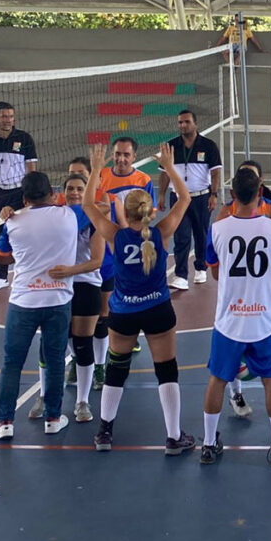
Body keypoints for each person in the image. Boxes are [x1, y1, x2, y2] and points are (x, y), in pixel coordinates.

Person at [83, 143, 195, 455]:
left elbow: (89, 205)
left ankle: (104, 432)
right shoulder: (161, 232)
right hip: (158, 308)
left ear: (126, 212)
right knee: (166, 370)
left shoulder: (115, 236)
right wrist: (169, 169)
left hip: (123, 312)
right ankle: (174, 437)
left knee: (117, 368)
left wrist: (95, 170)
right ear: (149, 211)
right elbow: (185, 199)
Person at [200, 167, 271, 467]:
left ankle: (208, 444)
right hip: (265, 319)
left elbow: (214, 270)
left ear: (231, 195)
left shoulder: (218, 229)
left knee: (217, 379)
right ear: (260, 193)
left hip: (229, 320)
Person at [0, 172, 79, 440]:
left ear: (24, 197)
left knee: (12, 363)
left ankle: (5, 422)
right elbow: (95, 206)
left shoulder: (13, 223)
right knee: (54, 362)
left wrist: (12, 217)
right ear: (52, 194)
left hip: (23, 302)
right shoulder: (70, 216)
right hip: (58, 300)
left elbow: (1, 258)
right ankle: (53, 418)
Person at [214, 160, 271, 417]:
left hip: (265, 285)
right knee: (237, 349)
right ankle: (236, 393)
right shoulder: (226, 213)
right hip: (239, 289)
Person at [26, 173, 106, 424]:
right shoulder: (56, 216)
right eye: (70, 188)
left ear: (87, 191)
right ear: (61, 192)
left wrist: (70, 271)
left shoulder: (94, 219)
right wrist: (8, 211)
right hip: (57, 286)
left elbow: (97, 261)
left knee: (82, 344)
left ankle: (82, 401)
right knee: (49, 344)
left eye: (80, 189)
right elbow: (29, 215)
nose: (74, 193)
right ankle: (44, 394)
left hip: (85, 284)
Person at [93, 136, 156, 367]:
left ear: (134, 157)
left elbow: (152, 212)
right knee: (109, 291)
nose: (121, 159)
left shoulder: (144, 179)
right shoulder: (102, 177)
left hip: (133, 241)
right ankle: (109, 337)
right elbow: (93, 203)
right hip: (107, 238)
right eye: (117, 154)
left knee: (130, 288)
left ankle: (128, 336)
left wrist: (133, 228)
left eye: (126, 155)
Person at [158, 109, 222, 291]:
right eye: (180, 122)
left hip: (201, 197)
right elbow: (163, 174)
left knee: (201, 233)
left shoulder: (209, 145)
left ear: (195, 124)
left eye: (186, 122)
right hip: (178, 199)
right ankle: (181, 275)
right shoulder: (170, 147)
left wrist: (214, 194)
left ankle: (201, 268)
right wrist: (162, 194)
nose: (182, 125)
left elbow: (216, 172)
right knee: (181, 236)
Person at [0, 101, 37, 293]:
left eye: (11, 116)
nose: (8, 120)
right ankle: (0, 276)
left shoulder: (24, 138)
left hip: (20, 192)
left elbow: (32, 169)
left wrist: (31, 195)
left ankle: (27, 271)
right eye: (4, 116)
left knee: (25, 233)